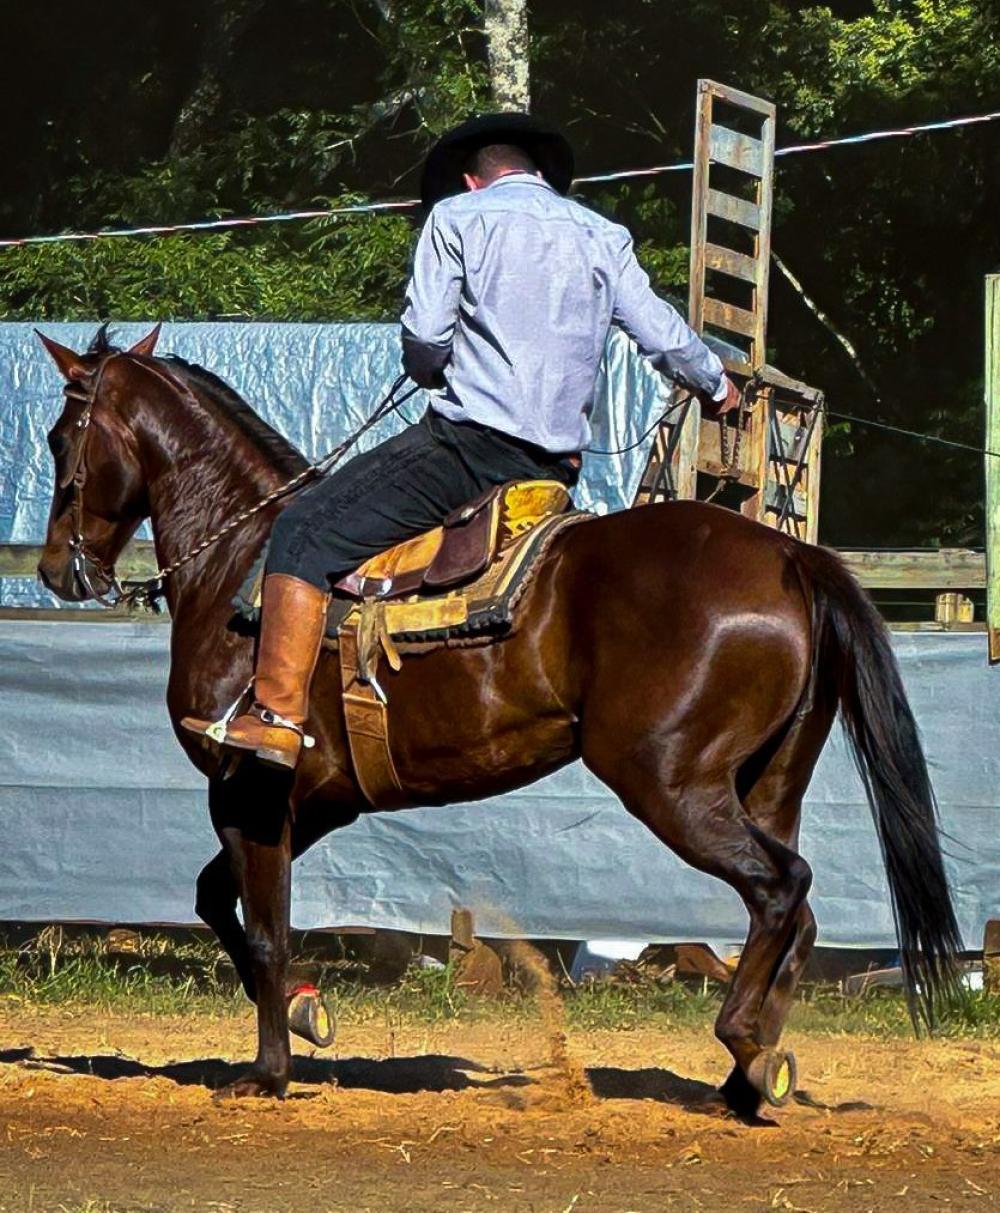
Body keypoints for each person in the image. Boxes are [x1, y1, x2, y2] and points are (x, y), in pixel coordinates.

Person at [181, 112, 739, 769]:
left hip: (464, 453)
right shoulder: (601, 234)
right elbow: (661, 333)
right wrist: (716, 386)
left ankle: (278, 717)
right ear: (538, 173)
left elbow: (424, 337)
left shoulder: (457, 218)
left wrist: (429, 367)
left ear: (473, 180)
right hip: (553, 474)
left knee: (303, 529)